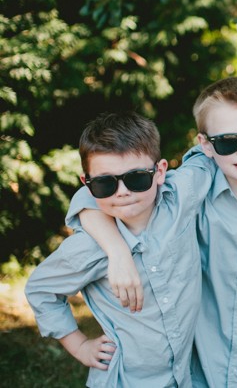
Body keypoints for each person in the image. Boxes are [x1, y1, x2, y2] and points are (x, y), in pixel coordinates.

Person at [66, 77, 237, 387]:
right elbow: (95, 194)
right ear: (206, 144)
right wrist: (117, 251)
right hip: (201, 364)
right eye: (228, 141)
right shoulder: (189, 190)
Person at [25, 111, 214, 387]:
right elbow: (41, 289)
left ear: (160, 171)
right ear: (88, 185)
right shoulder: (88, 246)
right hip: (126, 379)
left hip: (185, 375)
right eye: (105, 183)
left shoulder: (180, 198)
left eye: (136, 178)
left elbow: (208, 151)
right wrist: (79, 346)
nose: (123, 191)